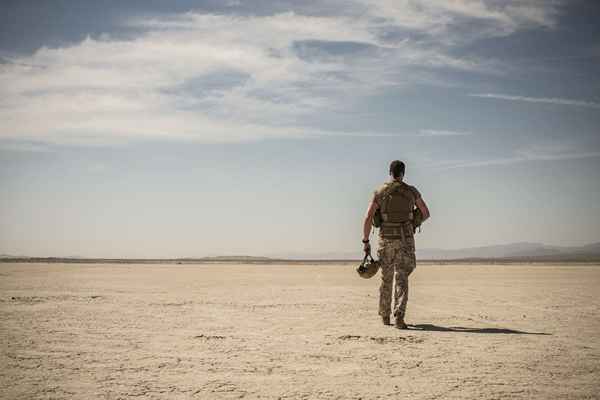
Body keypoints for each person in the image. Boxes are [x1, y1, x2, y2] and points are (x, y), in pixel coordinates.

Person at [361, 160, 430, 329]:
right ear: (403, 173)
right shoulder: (411, 192)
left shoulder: (380, 192)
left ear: (389, 172)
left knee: (386, 278)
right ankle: (399, 317)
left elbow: (368, 217)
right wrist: (412, 223)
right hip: (405, 240)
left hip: (386, 239)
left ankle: (385, 316)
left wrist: (365, 240)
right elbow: (426, 213)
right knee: (402, 278)